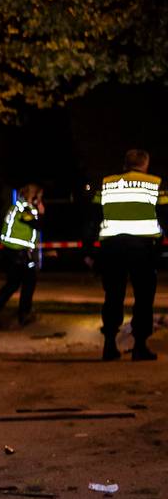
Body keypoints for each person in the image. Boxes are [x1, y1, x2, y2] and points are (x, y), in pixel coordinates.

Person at [89, 149, 168, 361]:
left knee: (113, 295)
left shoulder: (107, 183)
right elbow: (165, 215)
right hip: (143, 248)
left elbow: (93, 217)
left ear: (125, 164)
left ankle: (109, 345)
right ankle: (140, 345)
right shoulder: (154, 182)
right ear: (145, 164)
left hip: (112, 248)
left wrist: (89, 250)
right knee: (143, 297)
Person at [0, 184, 44, 328]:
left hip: (17, 252)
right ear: (32, 196)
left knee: (18, 283)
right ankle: (19, 314)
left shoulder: (23, 208)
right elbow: (35, 224)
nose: (40, 199)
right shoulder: (23, 209)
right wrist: (41, 211)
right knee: (23, 283)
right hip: (16, 253)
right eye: (39, 196)